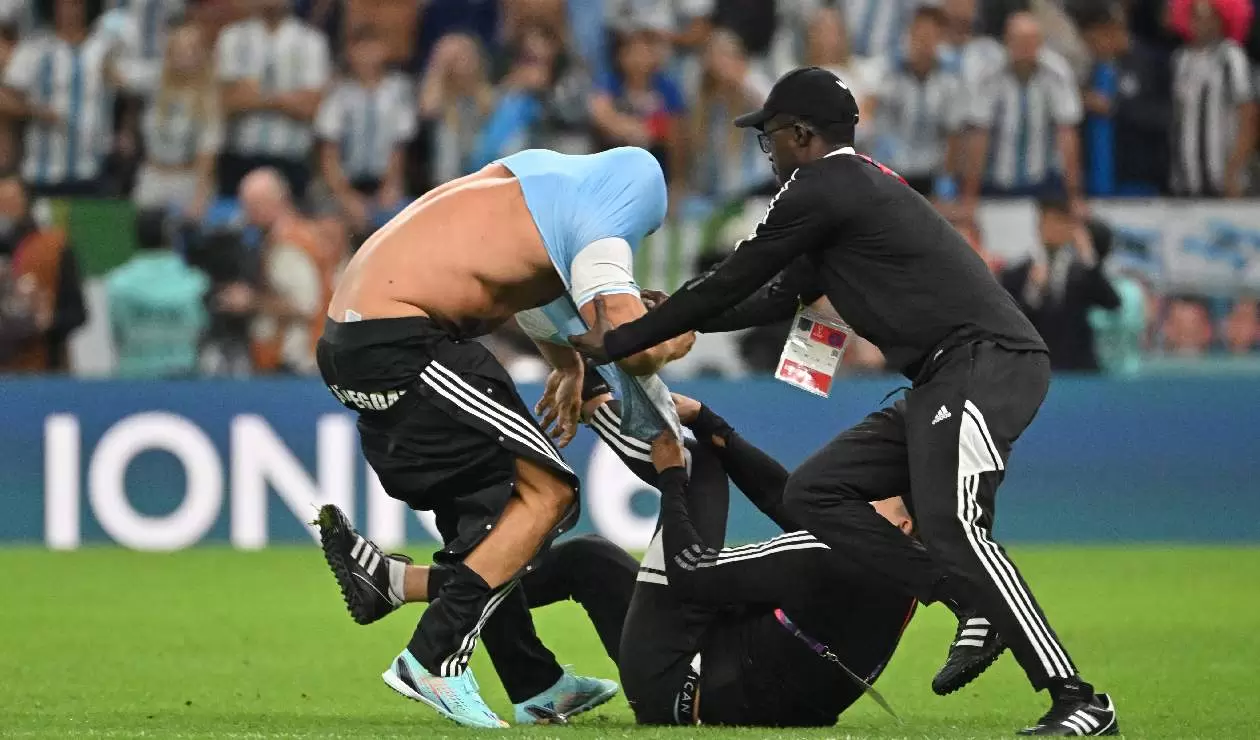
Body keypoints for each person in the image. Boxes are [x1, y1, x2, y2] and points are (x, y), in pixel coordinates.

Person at [568, 66, 1118, 736]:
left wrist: (625, 337)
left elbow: (737, 274)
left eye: (771, 136)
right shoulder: (845, 202)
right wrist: (675, 319)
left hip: (985, 363)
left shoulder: (822, 185)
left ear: (802, 134)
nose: (768, 153)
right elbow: (768, 296)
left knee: (955, 528)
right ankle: (960, 596)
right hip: (943, 376)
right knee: (813, 495)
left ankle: (1078, 699)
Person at [313, 146, 694, 727]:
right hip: (400, 340)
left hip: (355, 340)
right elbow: (632, 344)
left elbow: (531, 290)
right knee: (549, 494)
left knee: (490, 508)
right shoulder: (606, 220)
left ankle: (535, 684)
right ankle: (431, 659)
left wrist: (566, 365)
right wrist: (679, 334)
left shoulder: (539, 179)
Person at [964, 13, 1084, 211]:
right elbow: (979, 135)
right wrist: (969, 196)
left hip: (1043, 179)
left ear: (1040, 43)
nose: (1025, 50)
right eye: (1019, 42)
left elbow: (1067, 133)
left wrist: (1074, 194)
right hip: (996, 179)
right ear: (1007, 42)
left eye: (1031, 42)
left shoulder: (1057, 72)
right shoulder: (989, 74)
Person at [315, 25, 415, 238]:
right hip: (346, 182)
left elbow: (399, 148)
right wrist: (345, 196)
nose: (367, 57)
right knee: (333, 223)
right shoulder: (338, 94)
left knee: (400, 222)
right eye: (360, 50)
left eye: (372, 49)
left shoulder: (399, 91)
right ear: (350, 53)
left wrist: (391, 187)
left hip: (383, 181)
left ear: (384, 51)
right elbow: (329, 153)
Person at [1000, 196, 1121, 372]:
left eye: (1063, 223)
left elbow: (1112, 303)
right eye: (1051, 222)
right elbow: (1009, 325)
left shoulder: (1083, 271)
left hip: (1080, 371)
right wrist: (1033, 293)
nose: (1056, 230)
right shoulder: (1017, 274)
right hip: (1035, 372)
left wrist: (1089, 259)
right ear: (1040, 226)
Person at [239, 168, 337, 374]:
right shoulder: (301, 235)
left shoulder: (291, 245)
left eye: (252, 205)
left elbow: (306, 305)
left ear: (278, 201)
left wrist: (250, 302)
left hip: (299, 360)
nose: (246, 213)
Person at [106, 208, 209, 378]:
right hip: (183, 379)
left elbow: (118, 334)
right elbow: (201, 331)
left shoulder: (117, 282)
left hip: (133, 380)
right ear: (171, 238)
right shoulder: (196, 282)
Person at [134, 21, 222, 219]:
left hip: (186, 180)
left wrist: (200, 197)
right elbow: (118, 75)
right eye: (179, 49)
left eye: (191, 49)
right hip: (152, 176)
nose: (185, 56)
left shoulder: (207, 99)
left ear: (201, 54)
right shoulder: (154, 83)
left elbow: (207, 151)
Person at [0, 175, 86, 372]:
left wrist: (48, 323)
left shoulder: (53, 247)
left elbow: (77, 314)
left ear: (27, 204)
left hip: (43, 373)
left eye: (9, 201)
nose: (3, 209)